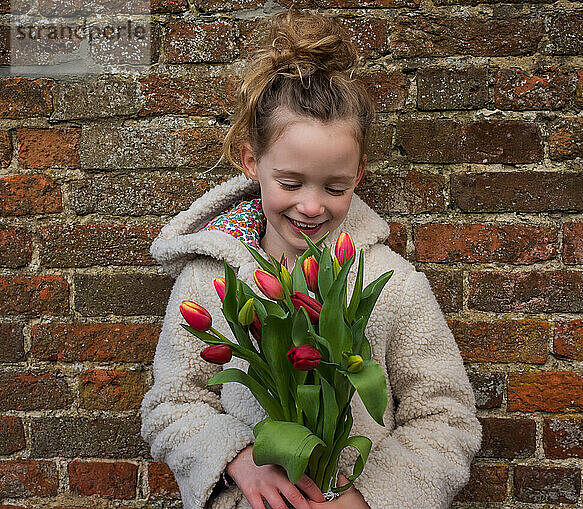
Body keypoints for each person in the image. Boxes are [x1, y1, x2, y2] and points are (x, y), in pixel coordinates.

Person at [140, 7, 481, 509]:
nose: (312, 206)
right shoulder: (206, 279)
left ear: (360, 173)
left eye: (335, 186)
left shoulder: (391, 282)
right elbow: (170, 404)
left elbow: (447, 417)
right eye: (290, 183)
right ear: (250, 161)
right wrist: (236, 456)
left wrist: (370, 498)